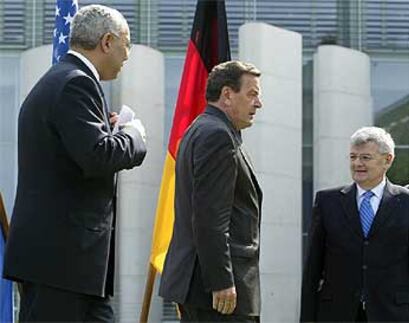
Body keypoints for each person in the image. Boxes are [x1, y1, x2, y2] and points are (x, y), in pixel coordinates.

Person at [3, 5, 146, 322]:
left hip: (65, 266)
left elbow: (76, 151)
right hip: (62, 265)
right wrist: (134, 134)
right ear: (107, 42)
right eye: (127, 44)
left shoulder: (64, 80)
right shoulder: (75, 83)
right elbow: (97, 155)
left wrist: (109, 130)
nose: (127, 55)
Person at [159, 61, 263, 322]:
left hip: (201, 286)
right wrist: (221, 281)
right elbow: (209, 218)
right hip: (217, 294)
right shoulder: (217, 136)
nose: (258, 103)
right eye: (251, 94)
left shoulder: (203, 129)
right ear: (227, 95)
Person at [300, 126, 409, 322]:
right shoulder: (327, 202)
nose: (357, 163)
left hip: (394, 314)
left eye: (365, 158)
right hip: (337, 314)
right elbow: (312, 270)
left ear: (388, 160)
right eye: (353, 157)